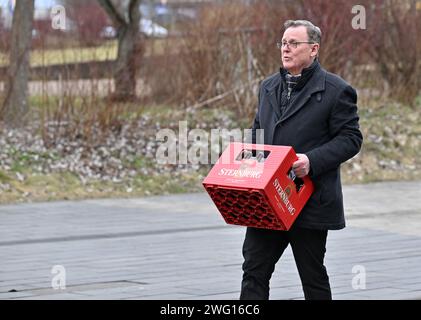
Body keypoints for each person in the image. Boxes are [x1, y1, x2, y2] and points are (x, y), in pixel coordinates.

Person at [240, 20, 363, 300]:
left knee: (312, 276)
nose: (286, 49)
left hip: (309, 199)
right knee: (253, 271)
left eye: (294, 43)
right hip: (269, 199)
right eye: (283, 43)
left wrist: (312, 161)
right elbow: (259, 130)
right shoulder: (268, 86)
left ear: (314, 49)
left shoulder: (336, 90)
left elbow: (351, 139)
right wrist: (250, 152)